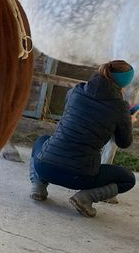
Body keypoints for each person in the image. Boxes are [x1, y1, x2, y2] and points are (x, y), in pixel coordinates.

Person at [29, 59, 136, 217]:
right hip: (80, 176)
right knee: (128, 179)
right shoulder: (120, 107)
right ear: (124, 83)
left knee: (41, 140)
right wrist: (128, 120)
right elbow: (124, 142)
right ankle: (85, 198)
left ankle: (38, 184)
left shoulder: (76, 91)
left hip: (45, 166)